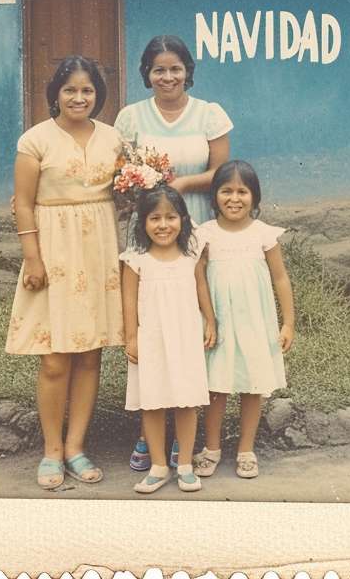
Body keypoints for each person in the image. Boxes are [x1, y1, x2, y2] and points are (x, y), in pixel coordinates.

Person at [114, 34, 233, 470]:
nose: (167, 77)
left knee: (192, 325)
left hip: (195, 223)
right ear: (147, 73)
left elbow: (220, 170)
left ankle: (191, 436)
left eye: (176, 68)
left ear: (188, 71)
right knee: (152, 327)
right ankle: (149, 438)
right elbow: (118, 171)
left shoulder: (210, 114)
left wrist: (180, 185)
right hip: (150, 231)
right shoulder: (130, 117)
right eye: (158, 69)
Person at [6, 54, 124, 490]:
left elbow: (126, 193)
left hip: (99, 251)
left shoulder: (114, 139)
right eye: (70, 89)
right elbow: (22, 202)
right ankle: (51, 450)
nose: (79, 97)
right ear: (55, 93)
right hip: (53, 251)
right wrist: (33, 258)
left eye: (88, 90)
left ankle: (76, 446)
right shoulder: (35, 140)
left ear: (98, 95)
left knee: (90, 351)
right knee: (55, 357)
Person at [192, 160, 295, 480]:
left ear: (255, 197)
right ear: (214, 196)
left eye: (242, 191)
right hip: (219, 321)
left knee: (253, 384)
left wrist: (288, 322)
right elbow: (199, 280)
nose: (234, 199)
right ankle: (211, 448)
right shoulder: (205, 234)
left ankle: (246, 450)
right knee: (215, 385)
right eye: (226, 191)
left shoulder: (263, 234)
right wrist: (209, 320)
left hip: (255, 321)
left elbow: (280, 279)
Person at [120, 183, 217, 494]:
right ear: (143, 222)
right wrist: (131, 338)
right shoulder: (136, 259)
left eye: (171, 217)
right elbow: (128, 300)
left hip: (185, 336)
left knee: (187, 399)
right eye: (155, 218)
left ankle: (185, 465)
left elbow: (202, 288)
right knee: (152, 401)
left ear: (183, 220)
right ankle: (159, 465)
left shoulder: (190, 255)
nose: (163, 225)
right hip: (151, 338)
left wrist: (211, 321)